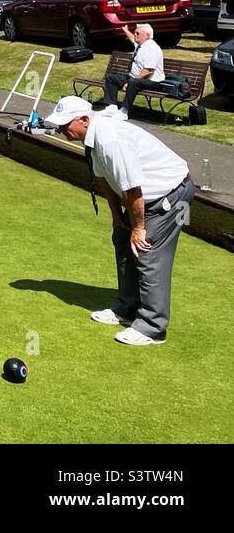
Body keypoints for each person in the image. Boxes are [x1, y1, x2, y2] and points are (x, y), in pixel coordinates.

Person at [45, 95, 194, 346]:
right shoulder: (92, 138)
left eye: (64, 124)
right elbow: (105, 179)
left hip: (170, 193)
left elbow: (133, 187)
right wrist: (117, 218)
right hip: (145, 196)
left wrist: (139, 227)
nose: (60, 130)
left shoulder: (110, 140)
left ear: (84, 119)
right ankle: (126, 308)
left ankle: (153, 327)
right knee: (122, 239)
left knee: (146, 250)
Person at [101, 24, 166, 119]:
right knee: (111, 78)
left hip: (153, 82)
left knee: (133, 82)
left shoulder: (152, 48)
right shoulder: (141, 44)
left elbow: (148, 70)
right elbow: (132, 38)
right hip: (136, 79)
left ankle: (124, 111)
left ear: (147, 35)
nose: (135, 34)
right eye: (135, 32)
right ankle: (112, 107)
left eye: (137, 33)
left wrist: (129, 82)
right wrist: (125, 30)